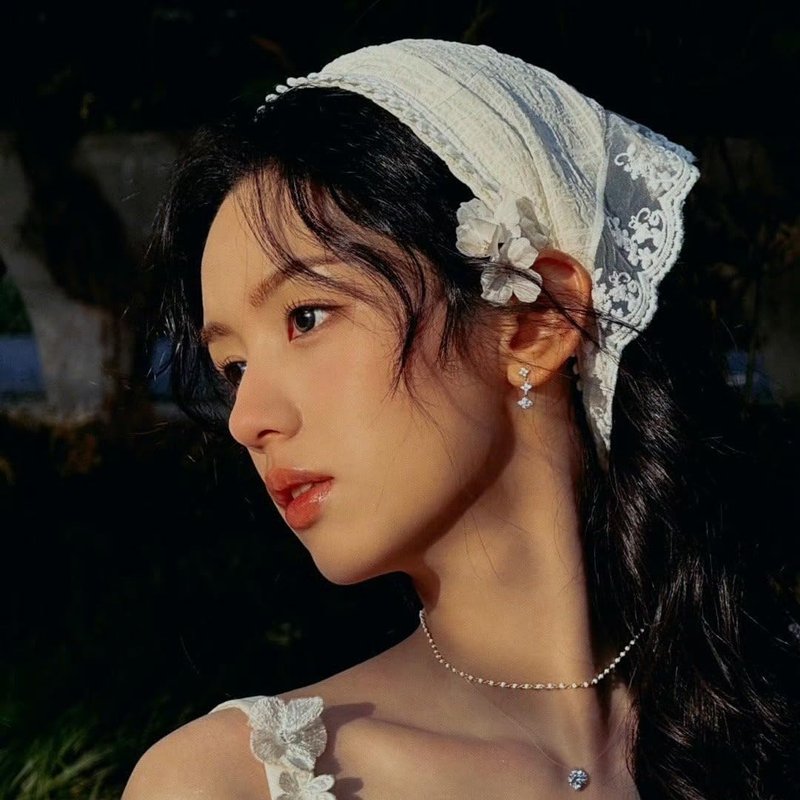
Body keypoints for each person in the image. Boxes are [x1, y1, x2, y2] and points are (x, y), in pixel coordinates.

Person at [122, 39, 800, 799]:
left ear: (535, 319)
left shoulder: (765, 711)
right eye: (234, 369)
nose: (246, 419)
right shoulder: (234, 780)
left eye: (306, 316)